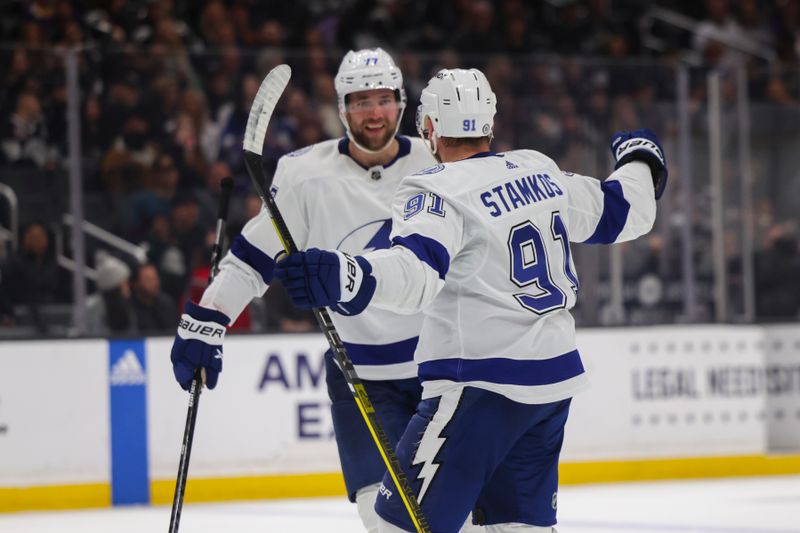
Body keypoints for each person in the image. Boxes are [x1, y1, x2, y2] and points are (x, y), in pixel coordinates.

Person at [273, 68, 667, 533]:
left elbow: (415, 274)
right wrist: (640, 159)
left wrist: (344, 274)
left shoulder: (436, 188)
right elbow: (626, 211)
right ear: (489, 123)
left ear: (431, 128)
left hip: (477, 390)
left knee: (397, 527)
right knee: (517, 527)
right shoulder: (537, 169)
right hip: (550, 386)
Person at [169, 48, 443, 532]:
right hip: (361, 375)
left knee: (459, 514)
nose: (374, 113)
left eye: (383, 99)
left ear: (402, 103)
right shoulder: (304, 175)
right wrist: (205, 325)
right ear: (341, 109)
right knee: (383, 519)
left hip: (443, 370)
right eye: (361, 101)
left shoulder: (439, 163)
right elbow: (250, 261)